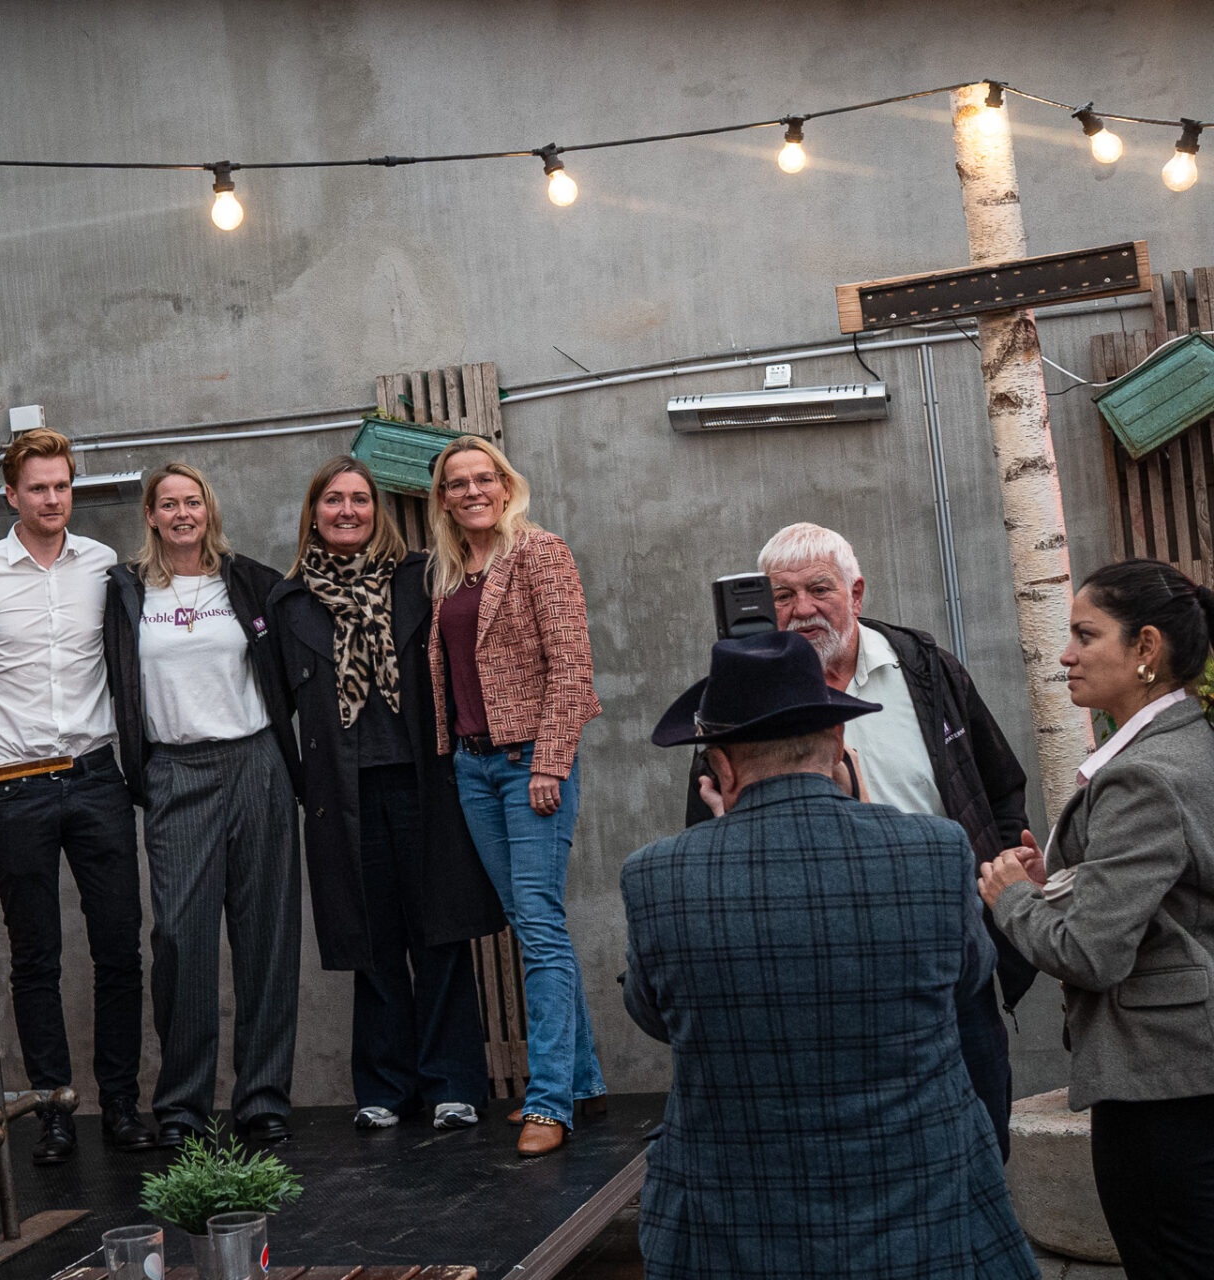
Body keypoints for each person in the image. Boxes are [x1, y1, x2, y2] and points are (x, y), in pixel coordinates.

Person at [627, 631, 1037, 1279]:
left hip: (736, 1232)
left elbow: (656, 1015)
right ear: (841, 747)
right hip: (928, 1219)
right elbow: (966, 983)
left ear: (723, 768)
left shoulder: (657, 875)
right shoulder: (936, 851)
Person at [690, 521, 1030, 1158]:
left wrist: (1001, 875)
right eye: (782, 597)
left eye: (820, 589)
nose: (803, 610)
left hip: (947, 949)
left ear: (858, 592)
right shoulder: (744, 695)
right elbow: (711, 823)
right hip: (820, 966)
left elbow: (1000, 784)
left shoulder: (926, 669)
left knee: (980, 1134)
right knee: (855, 1150)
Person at [979, 559, 1214, 1279]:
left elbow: (1091, 954)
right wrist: (1059, 883)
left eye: (1085, 634)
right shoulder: (1187, 742)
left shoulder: (1145, 773)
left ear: (1146, 648)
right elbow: (1176, 904)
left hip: (1160, 1086)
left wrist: (1011, 899)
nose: (1066, 653)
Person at [269, 456, 506, 1133]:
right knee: (371, 942)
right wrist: (299, 785)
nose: (348, 511)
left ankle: (453, 1083)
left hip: (426, 780)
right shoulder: (289, 603)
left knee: (440, 933)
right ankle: (384, 1087)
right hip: (341, 793)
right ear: (314, 513)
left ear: (378, 511)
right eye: (334, 500)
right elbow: (273, 703)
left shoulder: (421, 580)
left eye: (361, 500)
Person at [0, 427, 150, 1162]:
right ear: (11, 496)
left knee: (120, 947)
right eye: (38, 488)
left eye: (62, 486)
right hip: (12, 785)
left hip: (95, 776)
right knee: (37, 957)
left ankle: (121, 1105)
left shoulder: (103, 564)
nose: (53, 499)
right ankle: (55, 1109)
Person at [102, 462, 301, 1146]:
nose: (182, 513)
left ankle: (264, 1097)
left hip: (255, 762)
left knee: (267, 937)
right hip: (175, 772)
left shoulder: (248, 580)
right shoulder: (127, 592)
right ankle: (184, 1105)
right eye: (169, 504)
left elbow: (295, 665)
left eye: (194, 501)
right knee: (181, 943)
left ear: (208, 511)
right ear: (151, 516)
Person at [424, 435, 605, 1157]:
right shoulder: (450, 573)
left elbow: (572, 667)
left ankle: (549, 1100)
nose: (471, 491)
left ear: (506, 485)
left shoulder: (540, 552)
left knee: (536, 928)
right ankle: (581, 1080)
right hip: (473, 768)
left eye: (483, 478)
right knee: (530, 921)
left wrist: (550, 764)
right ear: (442, 497)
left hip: (530, 761)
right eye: (456, 482)